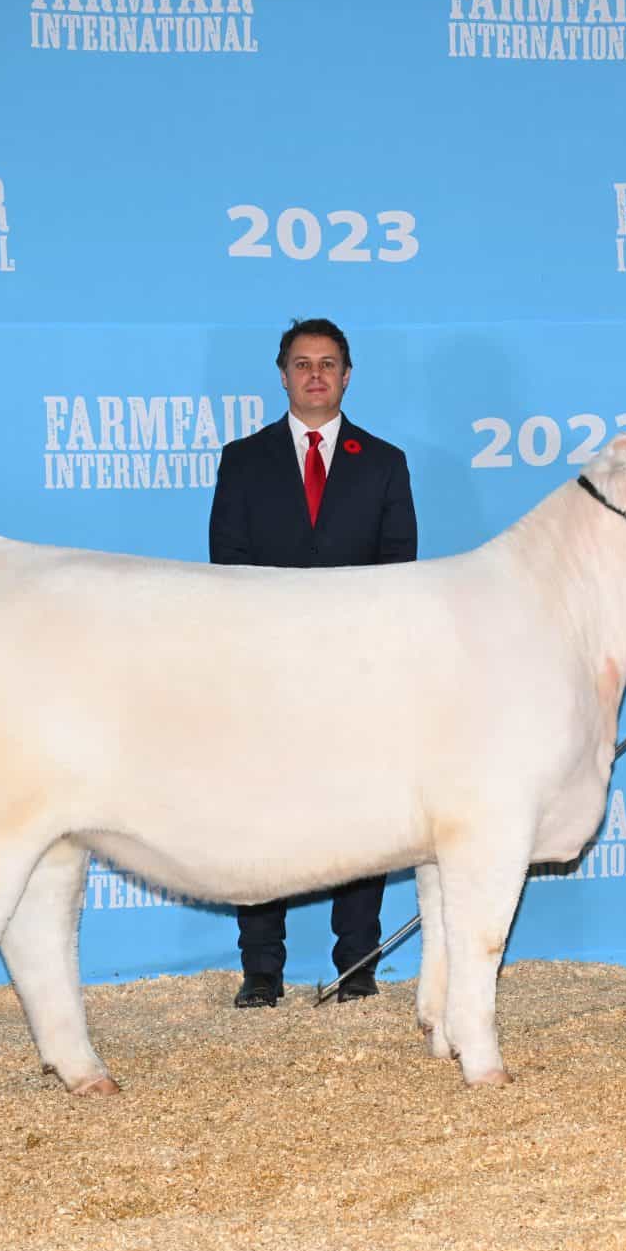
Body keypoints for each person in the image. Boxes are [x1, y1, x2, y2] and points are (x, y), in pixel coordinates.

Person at [208, 317, 418, 1007]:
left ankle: (357, 965)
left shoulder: (383, 461)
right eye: (302, 363)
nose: (316, 374)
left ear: (348, 374)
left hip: (358, 673)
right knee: (259, 814)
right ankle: (261, 970)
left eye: (329, 363)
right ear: (283, 375)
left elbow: (399, 575)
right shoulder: (243, 460)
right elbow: (227, 572)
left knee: (362, 816)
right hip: (266, 672)